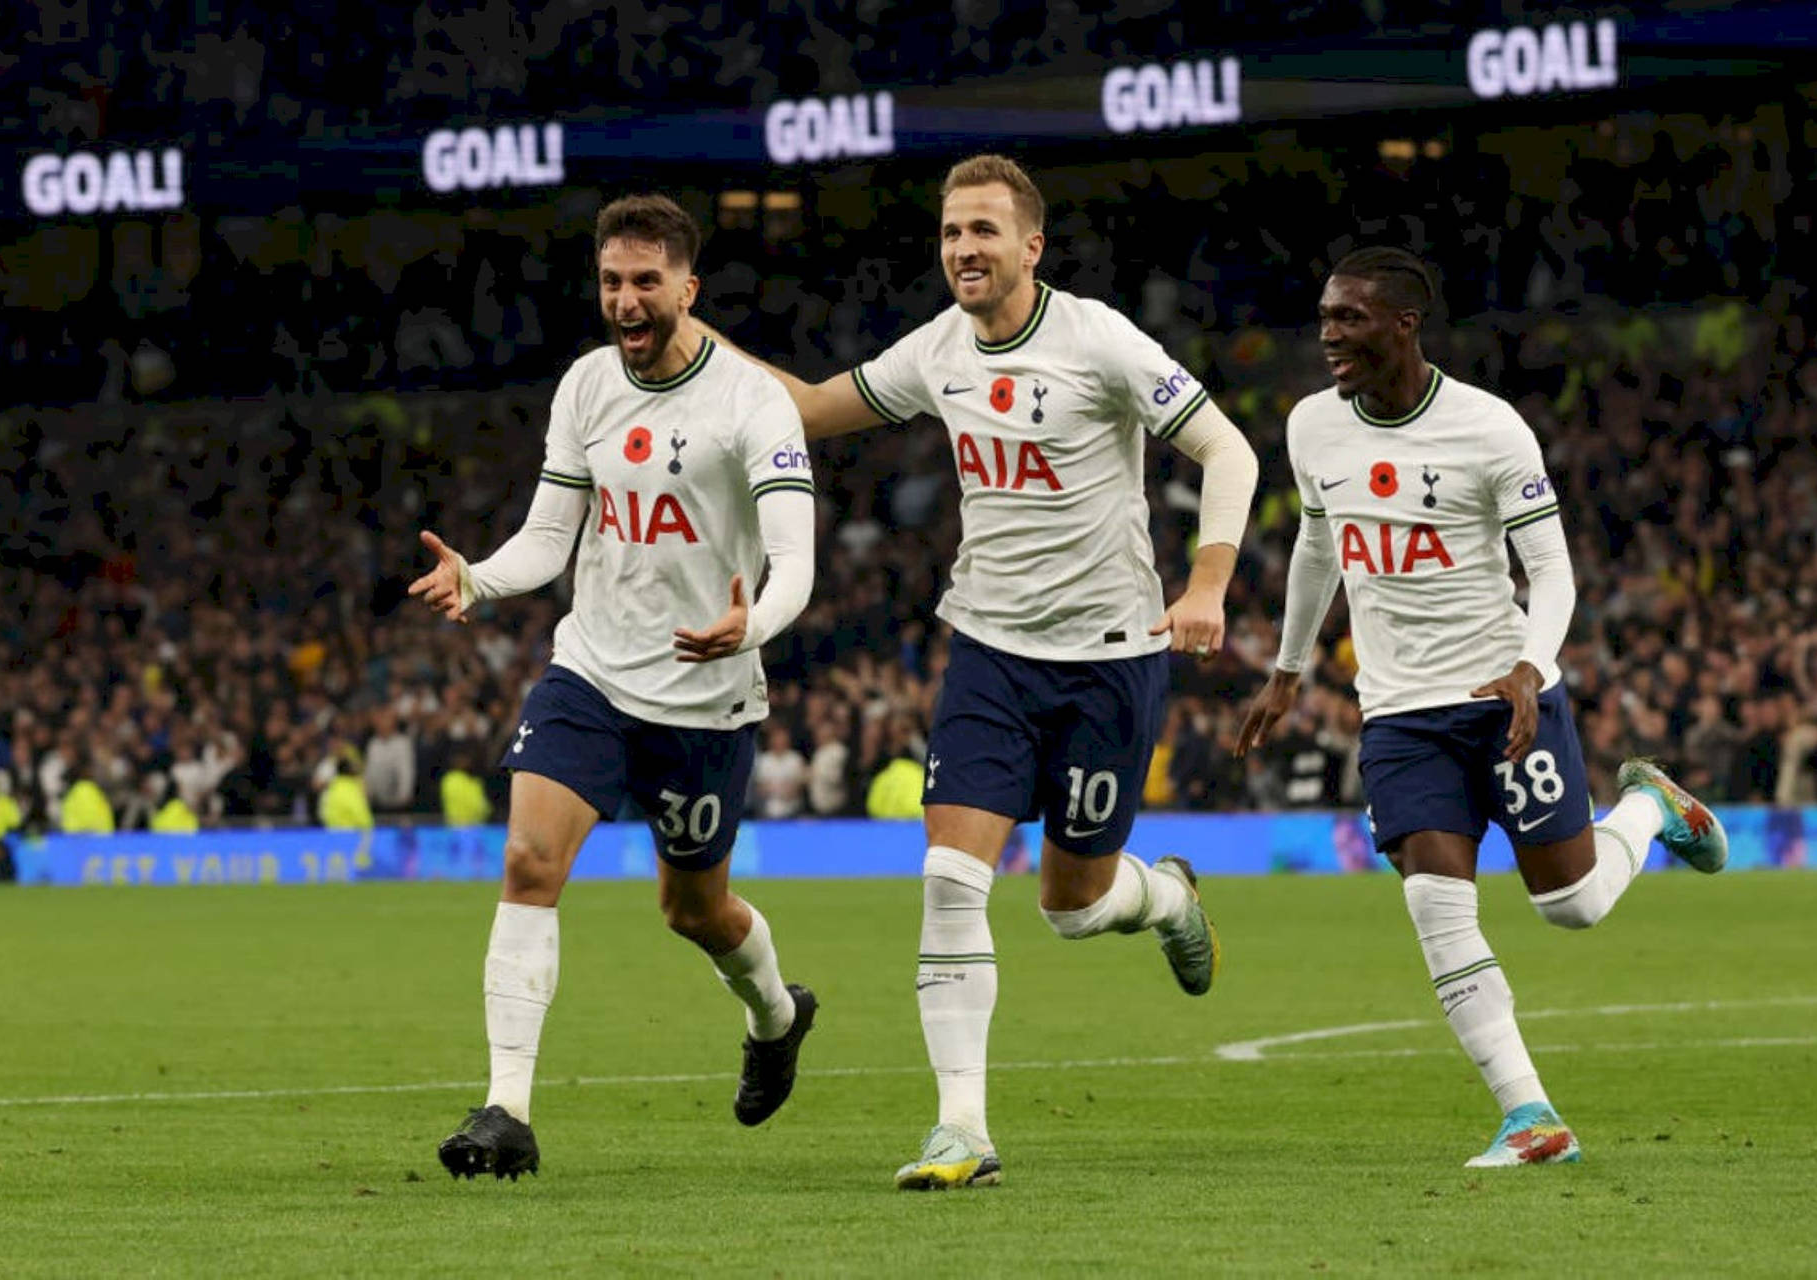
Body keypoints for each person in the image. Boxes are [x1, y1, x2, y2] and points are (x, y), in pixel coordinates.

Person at [704, 154, 1260, 1189]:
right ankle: (962, 1127)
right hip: (990, 655)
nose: (964, 248)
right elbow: (818, 408)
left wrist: (1207, 585)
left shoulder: (1099, 340)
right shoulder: (938, 347)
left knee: (1074, 904)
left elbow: (1230, 454)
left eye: (984, 232)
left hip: (1108, 661)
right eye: (953, 232)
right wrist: (705, 350)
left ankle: (1168, 898)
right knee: (950, 880)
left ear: (1031, 245)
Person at [1236, 246, 1729, 1169]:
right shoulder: (1312, 426)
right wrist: (1289, 667)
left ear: (1404, 325)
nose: (1328, 333)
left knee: (1572, 905)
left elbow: (1552, 572)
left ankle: (1651, 806)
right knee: (1435, 905)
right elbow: (1316, 541)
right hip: (1396, 716)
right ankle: (1530, 1115)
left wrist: (1531, 669)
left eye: (1349, 318)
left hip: (1502, 696)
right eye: (1325, 316)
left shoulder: (1490, 429)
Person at [409, 194, 820, 1182]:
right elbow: (551, 535)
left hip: (705, 697)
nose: (626, 301)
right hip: (590, 671)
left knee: (694, 911)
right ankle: (507, 1106)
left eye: (646, 282)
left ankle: (776, 1012)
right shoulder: (588, 385)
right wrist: (481, 576)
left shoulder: (753, 403)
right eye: (611, 282)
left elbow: (796, 559)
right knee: (528, 861)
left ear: (689, 286)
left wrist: (751, 623)